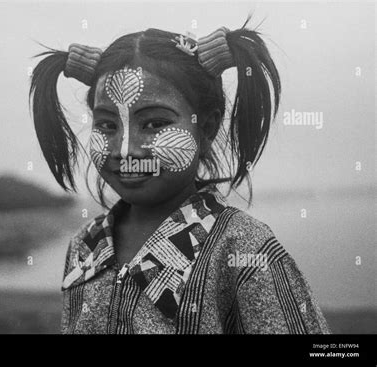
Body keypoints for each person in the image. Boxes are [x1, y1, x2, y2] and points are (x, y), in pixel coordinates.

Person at [29, 18, 330, 334]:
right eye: (107, 125)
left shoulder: (245, 251)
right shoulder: (85, 244)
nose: (125, 150)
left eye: (155, 124)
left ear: (207, 127)